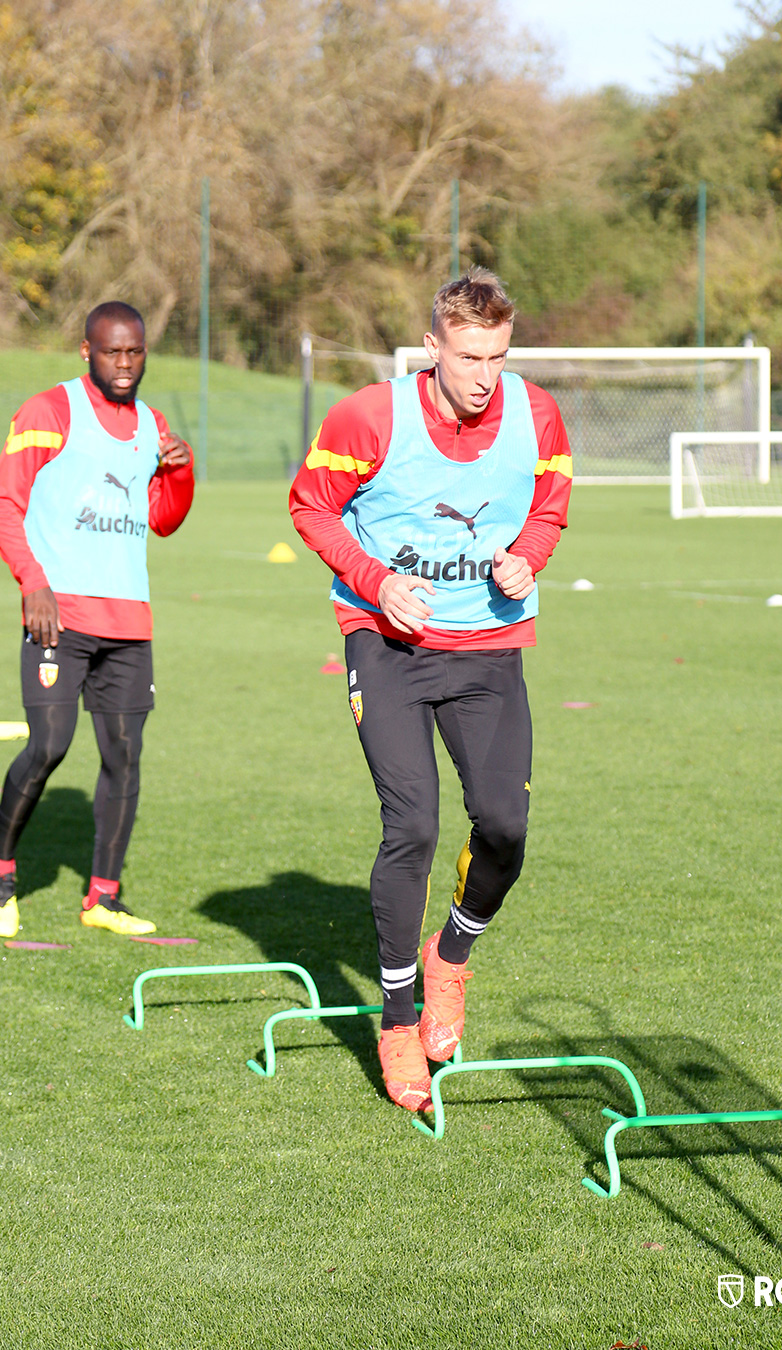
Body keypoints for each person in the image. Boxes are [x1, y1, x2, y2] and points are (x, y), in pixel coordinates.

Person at [289, 269, 572, 1110]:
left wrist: (529, 556)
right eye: (470, 356)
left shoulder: (537, 414)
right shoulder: (369, 416)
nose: (486, 375)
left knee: (507, 827)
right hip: (387, 646)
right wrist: (376, 581)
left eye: (499, 356)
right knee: (411, 825)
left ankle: (452, 956)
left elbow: (550, 507)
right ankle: (397, 1019)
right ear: (433, 348)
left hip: (488, 648)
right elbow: (311, 507)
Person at [0, 301, 194, 938]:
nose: (124, 365)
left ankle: (104, 896)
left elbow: (163, 519)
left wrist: (178, 473)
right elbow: (2, 501)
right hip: (58, 614)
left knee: (124, 756)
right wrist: (33, 583)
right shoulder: (49, 411)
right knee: (48, 745)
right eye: (112, 353)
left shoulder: (151, 424)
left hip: (128, 620)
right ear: (86, 351)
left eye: (135, 353)